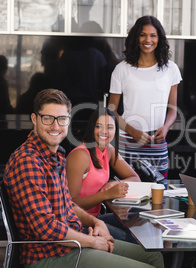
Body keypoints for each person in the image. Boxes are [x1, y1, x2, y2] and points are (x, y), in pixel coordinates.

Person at [3, 89, 163, 267]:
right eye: (48, 118)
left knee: (154, 257)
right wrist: (93, 242)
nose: (55, 126)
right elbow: (46, 227)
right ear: (34, 119)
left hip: (72, 243)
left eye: (61, 119)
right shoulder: (28, 161)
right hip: (49, 255)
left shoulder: (55, 156)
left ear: (68, 120)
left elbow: (68, 204)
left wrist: (96, 222)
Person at [108, 15, 182, 187]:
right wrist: (132, 131)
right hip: (128, 141)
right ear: (136, 38)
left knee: (158, 193)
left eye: (153, 35)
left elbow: (172, 109)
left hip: (157, 142)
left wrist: (165, 127)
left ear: (159, 39)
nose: (148, 40)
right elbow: (111, 110)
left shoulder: (170, 69)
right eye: (143, 35)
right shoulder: (121, 70)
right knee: (129, 195)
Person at [66, 107, 140, 243]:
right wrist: (106, 195)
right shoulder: (80, 155)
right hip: (78, 224)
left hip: (96, 218)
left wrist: (114, 183)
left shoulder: (109, 150)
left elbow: (135, 178)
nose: (104, 131)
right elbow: (70, 204)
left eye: (110, 127)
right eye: (98, 126)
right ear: (91, 128)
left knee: (138, 222)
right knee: (130, 238)